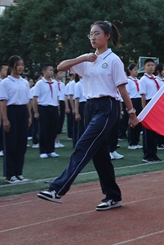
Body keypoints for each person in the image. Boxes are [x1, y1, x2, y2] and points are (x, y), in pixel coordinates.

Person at [38, 21, 139, 211]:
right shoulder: (88, 59)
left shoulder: (114, 60)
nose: (93, 37)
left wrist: (132, 114)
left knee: (83, 146)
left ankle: (57, 189)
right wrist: (83, 58)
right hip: (89, 107)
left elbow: (123, 91)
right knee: (100, 154)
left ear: (107, 36)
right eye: (91, 34)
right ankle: (113, 196)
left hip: (107, 106)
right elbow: (61, 67)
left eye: (97, 33)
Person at [1, 56, 33, 183]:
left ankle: (19, 172)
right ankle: (10, 174)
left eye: (22, 65)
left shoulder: (24, 82)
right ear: (11, 67)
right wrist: (5, 119)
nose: (20, 67)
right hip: (11, 111)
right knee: (11, 144)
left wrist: (29, 116)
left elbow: (27, 101)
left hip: (23, 112)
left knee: (21, 144)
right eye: (17, 65)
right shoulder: (5, 83)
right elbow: (3, 101)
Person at [31, 65, 60, 159]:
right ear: (44, 71)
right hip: (43, 107)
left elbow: (57, 96)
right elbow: (35, 98)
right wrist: (36, 112)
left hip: (53, 107)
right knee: (43, 129)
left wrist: (58, 108)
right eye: (50, 70)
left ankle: (51, 150)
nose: (52, 72)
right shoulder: (39, 83)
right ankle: (43, 150)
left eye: (52, 70)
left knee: (53, 129)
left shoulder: (55, 83)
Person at [139, 59, 161, 162]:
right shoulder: (143, 80)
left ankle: (154, 153)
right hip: (149, 103)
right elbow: (143, 95)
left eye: (152, 65)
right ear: (144, 68)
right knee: (148, 132)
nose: (151, 67)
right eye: (148, 65)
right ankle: (147, 154)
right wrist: (144, 110)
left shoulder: (156, 79)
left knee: (154, 131)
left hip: (157, 105)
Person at [125, 63, 143, 150]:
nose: (136, 71)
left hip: (139, 100)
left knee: (138, 122)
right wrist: (128, 106)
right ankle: (131, 142)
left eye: (137, 69)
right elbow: (127, 94)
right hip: (132, 101)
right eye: (135, 70)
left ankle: (136, 141)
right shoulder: (128, 81)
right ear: (130, 71)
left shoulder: (139, 81)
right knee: (132, 122)